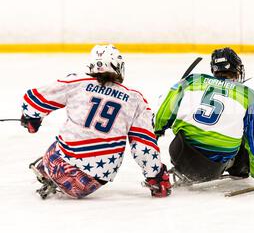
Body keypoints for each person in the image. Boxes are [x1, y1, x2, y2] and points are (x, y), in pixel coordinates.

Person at [21, 44, 171, 199]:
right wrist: (156, 176)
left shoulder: (77, 82)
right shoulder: (136, 99)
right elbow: (143, 146)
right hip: (89, 184)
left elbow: (32, 100)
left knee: (66, 137)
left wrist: (31, 118)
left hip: (57, 166)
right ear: (118, 67)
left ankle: (46, 171)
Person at [154, 47, 254, 188]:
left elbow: (164, 111)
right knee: (245, 137)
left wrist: (157, 131)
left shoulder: (192, 80)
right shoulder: (250, 96)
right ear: (237, 68)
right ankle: (239, 170)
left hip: (180, 153)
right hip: (212, 168)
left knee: (184, 129)